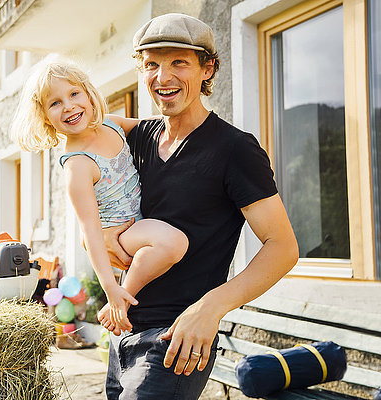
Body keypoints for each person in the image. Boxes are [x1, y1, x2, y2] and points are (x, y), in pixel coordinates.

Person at [98, 13, 299, 399]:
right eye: (152, 64)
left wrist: (210, 308)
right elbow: (85, 129)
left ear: (207, 68)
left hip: (178, 339)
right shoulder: (139, 136)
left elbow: (283, 247)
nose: (163, 77)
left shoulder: (235, 150)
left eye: (179, 63)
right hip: (121, 334)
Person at [11, 59, 189, 333]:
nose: (68, 106)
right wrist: (109, 287)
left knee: (172, 242)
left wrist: (187, 116)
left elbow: (152, 126)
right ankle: (121, 297)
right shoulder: (78, 165)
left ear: (88, 92)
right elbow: (91, 233)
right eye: (55, 103)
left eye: (73, 94)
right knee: (174, 242)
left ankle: (124, 294)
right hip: (120, 234)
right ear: (45, 117)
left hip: (140, 223)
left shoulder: (111, 124)